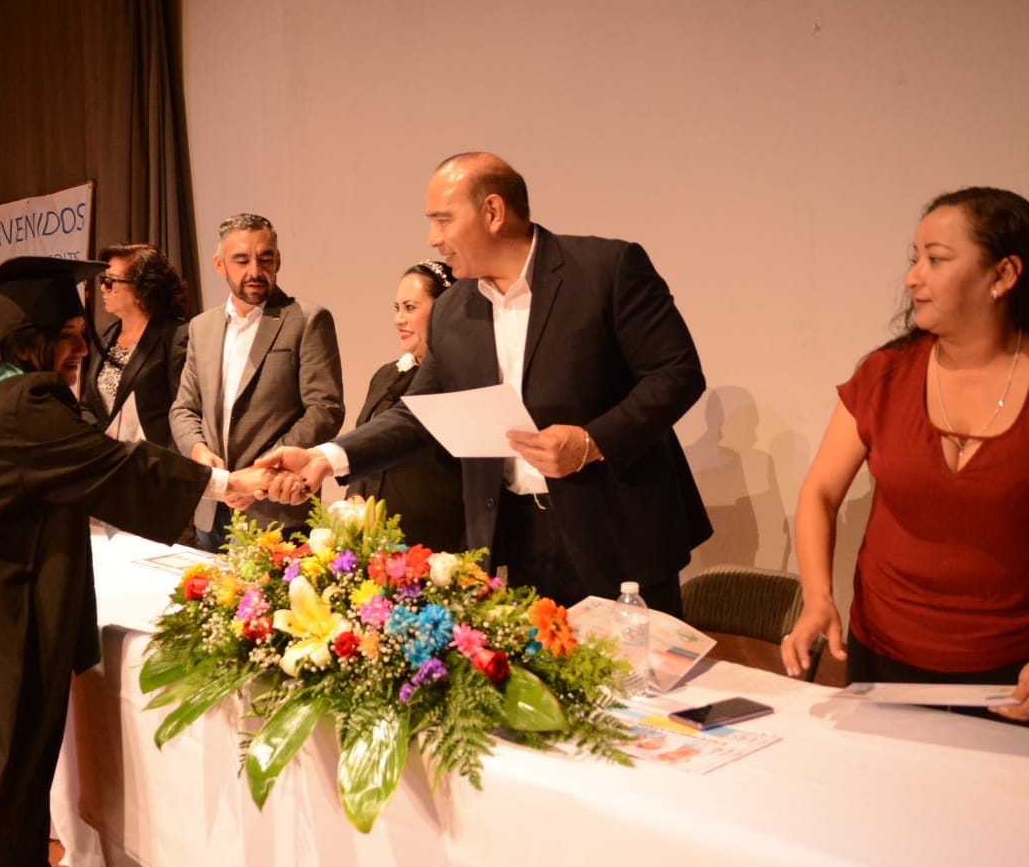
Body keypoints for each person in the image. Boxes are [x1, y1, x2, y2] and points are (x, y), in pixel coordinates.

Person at [0, 255, 281, 867]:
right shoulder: (25, 402)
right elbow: (113, 465)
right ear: (32, 341)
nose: (80, 351)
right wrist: (227, 483)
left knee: (6, 769)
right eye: (67, 337)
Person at [259, 152, 711, 616]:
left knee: (637, 665)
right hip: (517, 542)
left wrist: (591, 442)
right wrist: (324, 458)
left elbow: (676, 374)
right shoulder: (454, 308)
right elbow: (418, 413)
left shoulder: (605, 269)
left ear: (493, 211)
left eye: (443, 220)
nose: (433, 238)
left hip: (616, 533)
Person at [781, 187, 1029, 734]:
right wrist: (817, 599)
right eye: (914, 259)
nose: (913, 278)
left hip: (1019, 672)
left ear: (1003, 275)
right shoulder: (884, 375)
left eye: (936, 259)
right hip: (882, 654)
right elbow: (820, 493)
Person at [170, 213, 344, 551]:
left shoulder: (307, 320)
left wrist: (261, 477)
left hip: (277, 510)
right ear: (219, 264)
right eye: (241, 260)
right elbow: (184, 408)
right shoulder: (201, 327)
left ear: (277, 259)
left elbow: (324, 410)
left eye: (265, 258)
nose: (255, 270)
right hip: (211, 507)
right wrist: (199, 451)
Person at [345, 260, 465, 552]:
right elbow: (366, 441)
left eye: (410, 308)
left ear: (445, 310)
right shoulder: (386, 375)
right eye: (397, 308)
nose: (398, 319)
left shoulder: (463, 382)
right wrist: (355, 494)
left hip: (436, 546)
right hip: (377, 546)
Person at [80, 244, 188, 446]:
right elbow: (88, 405)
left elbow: (184, 411)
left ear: (142, 288)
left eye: (111, 281)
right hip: (109, 458)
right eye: (103, 280)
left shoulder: (176, 336)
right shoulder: (103, 337)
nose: (103, 287)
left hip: (156, 459)